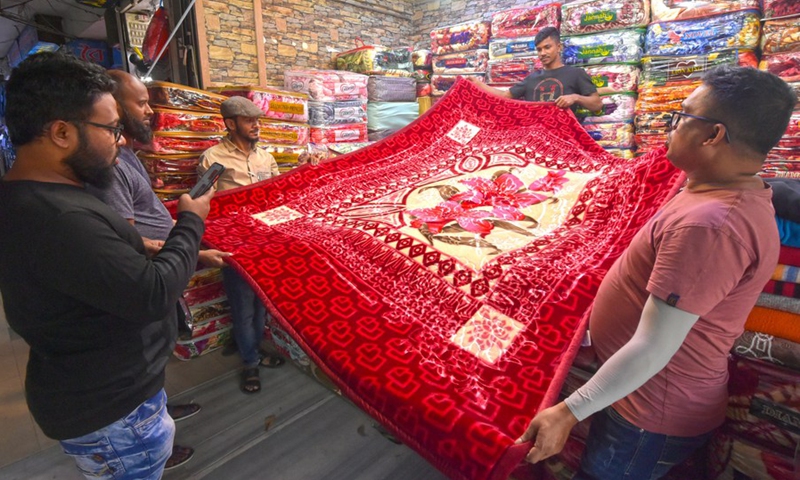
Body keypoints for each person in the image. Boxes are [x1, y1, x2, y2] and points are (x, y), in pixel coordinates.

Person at [517, 66, 796, 479]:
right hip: (640, 399)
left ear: (713, 135)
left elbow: (653, 347)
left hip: (646, 414)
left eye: (682, 116)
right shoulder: (711, 192)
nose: (673, 126)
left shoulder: (712, 226)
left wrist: (567, 413)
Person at [0, 52, 213, 480]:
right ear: (61, 132)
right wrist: (190, 222)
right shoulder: (59, 218)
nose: (119, 140)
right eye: (112, 128)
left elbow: (93, 266)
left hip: (99, 394)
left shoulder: (42, 199)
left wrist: (155, 250)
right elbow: (152, 295)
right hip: (112, 410)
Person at [86, 69, 230, 470]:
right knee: (142, 364)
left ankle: (156, 414)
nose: (151, 112)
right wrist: (188, 230)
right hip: (149, 281)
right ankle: (151, 449)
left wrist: (192, 253)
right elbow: (128, 244)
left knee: (155, 363)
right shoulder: (109, 169)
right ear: (112, 107)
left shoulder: (126, 154)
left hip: (164, 269)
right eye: (142, 103)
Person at [198, 96, 285, 394]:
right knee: (243, 307)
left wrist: (305, 170)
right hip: (235, 248)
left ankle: (256, 350)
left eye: (258, 120)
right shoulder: (213, 159)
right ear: (231, 123)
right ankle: (249, 363)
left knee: (262, 302)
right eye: (249, 121)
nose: (256, 125)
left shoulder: (266, 158)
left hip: (265, 244)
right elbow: (201, 200)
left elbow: (279, 194)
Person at [468, 26, 602, 112]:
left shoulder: (575, 74)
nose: (542, 53)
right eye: (539, 49)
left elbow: (597, 104)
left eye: (547, 47)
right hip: (536, 142)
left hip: (565, 142)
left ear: (559, 47)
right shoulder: (531, 79)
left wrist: (575, 98)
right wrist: (477, 83)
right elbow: (504, 96)